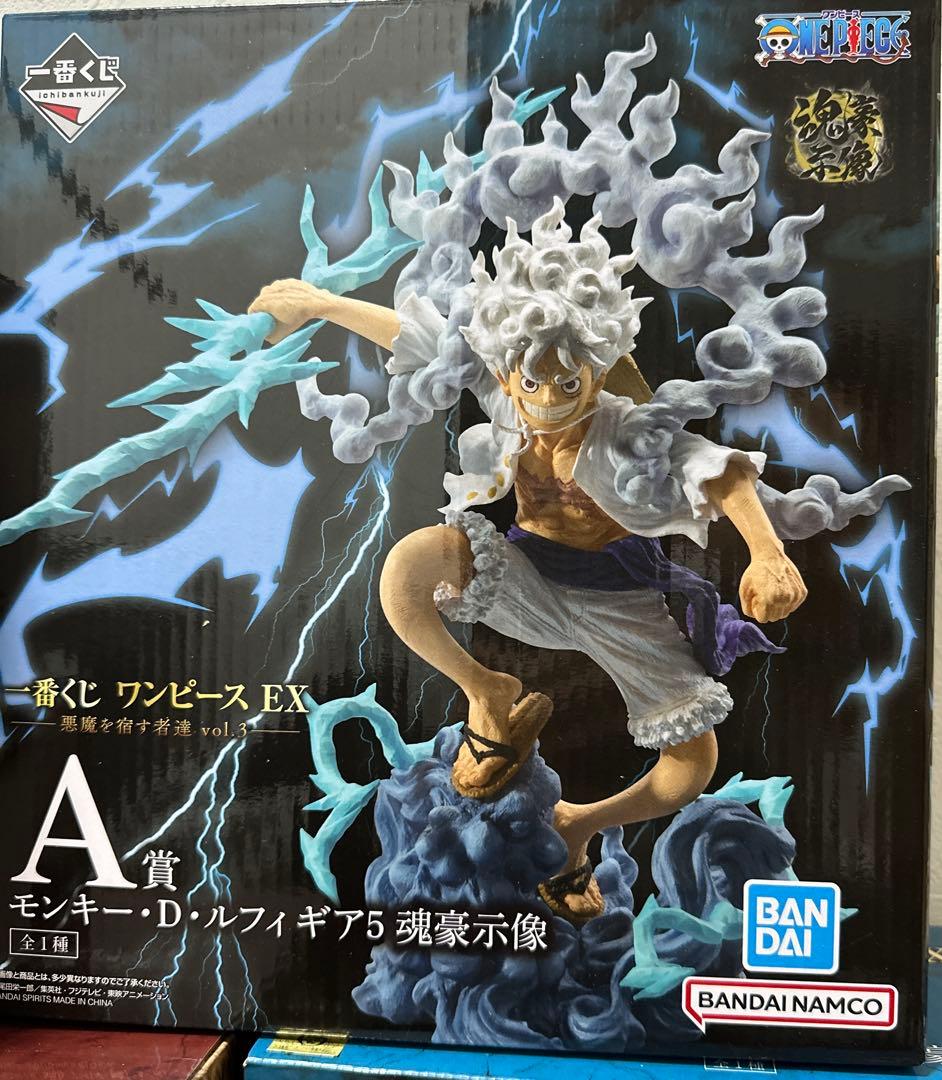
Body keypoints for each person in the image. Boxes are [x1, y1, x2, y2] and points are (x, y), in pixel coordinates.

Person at [249, 200, 807, 921]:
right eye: (531, 382)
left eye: (567, 384)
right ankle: (487, 692)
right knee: (409, 567)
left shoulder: (631, 431)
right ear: (508, 372)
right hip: (526, 578)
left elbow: (720, 469)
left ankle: (579, 827)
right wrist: (323, 304)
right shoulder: (507, 391)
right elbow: (421, 341)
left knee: (691, 766)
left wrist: (768, 553)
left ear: (597, 372)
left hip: (622, 602)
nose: (545, 401)